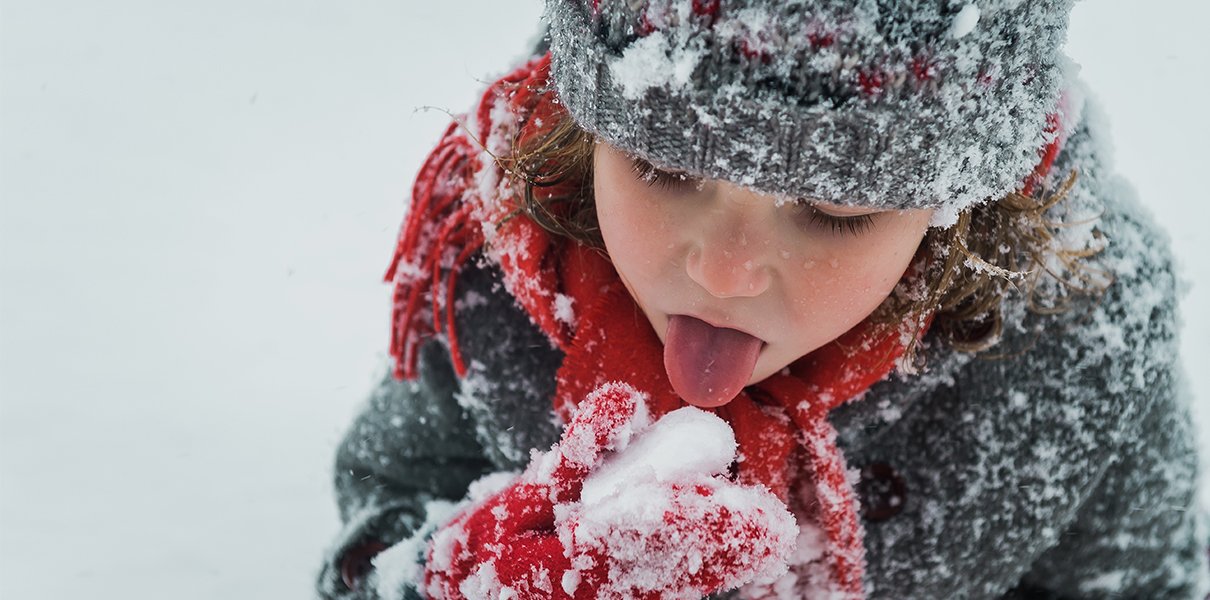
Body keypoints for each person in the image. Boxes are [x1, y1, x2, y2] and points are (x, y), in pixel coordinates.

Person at [317, 1, 1209, 598]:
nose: (726, 272)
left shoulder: (1075, 336)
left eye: (835, 211)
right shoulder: (498, 262)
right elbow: (385, 500)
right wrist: (450, 576)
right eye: (665, 168)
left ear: (957, 216)